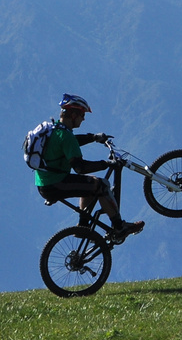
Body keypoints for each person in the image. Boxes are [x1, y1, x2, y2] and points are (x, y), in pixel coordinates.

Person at [33, 93, 144, 243]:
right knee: (101, 185)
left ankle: (83, 228)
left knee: (88, 184)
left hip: (45, 183)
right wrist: (106, 163)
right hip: (55, 184)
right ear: (73, 115)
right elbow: (80, 168)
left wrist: (93, 137)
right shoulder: (66, 136)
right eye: (82, 115)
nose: (83, 119)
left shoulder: (55, 129)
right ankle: (119, 227)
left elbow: (72, 142)